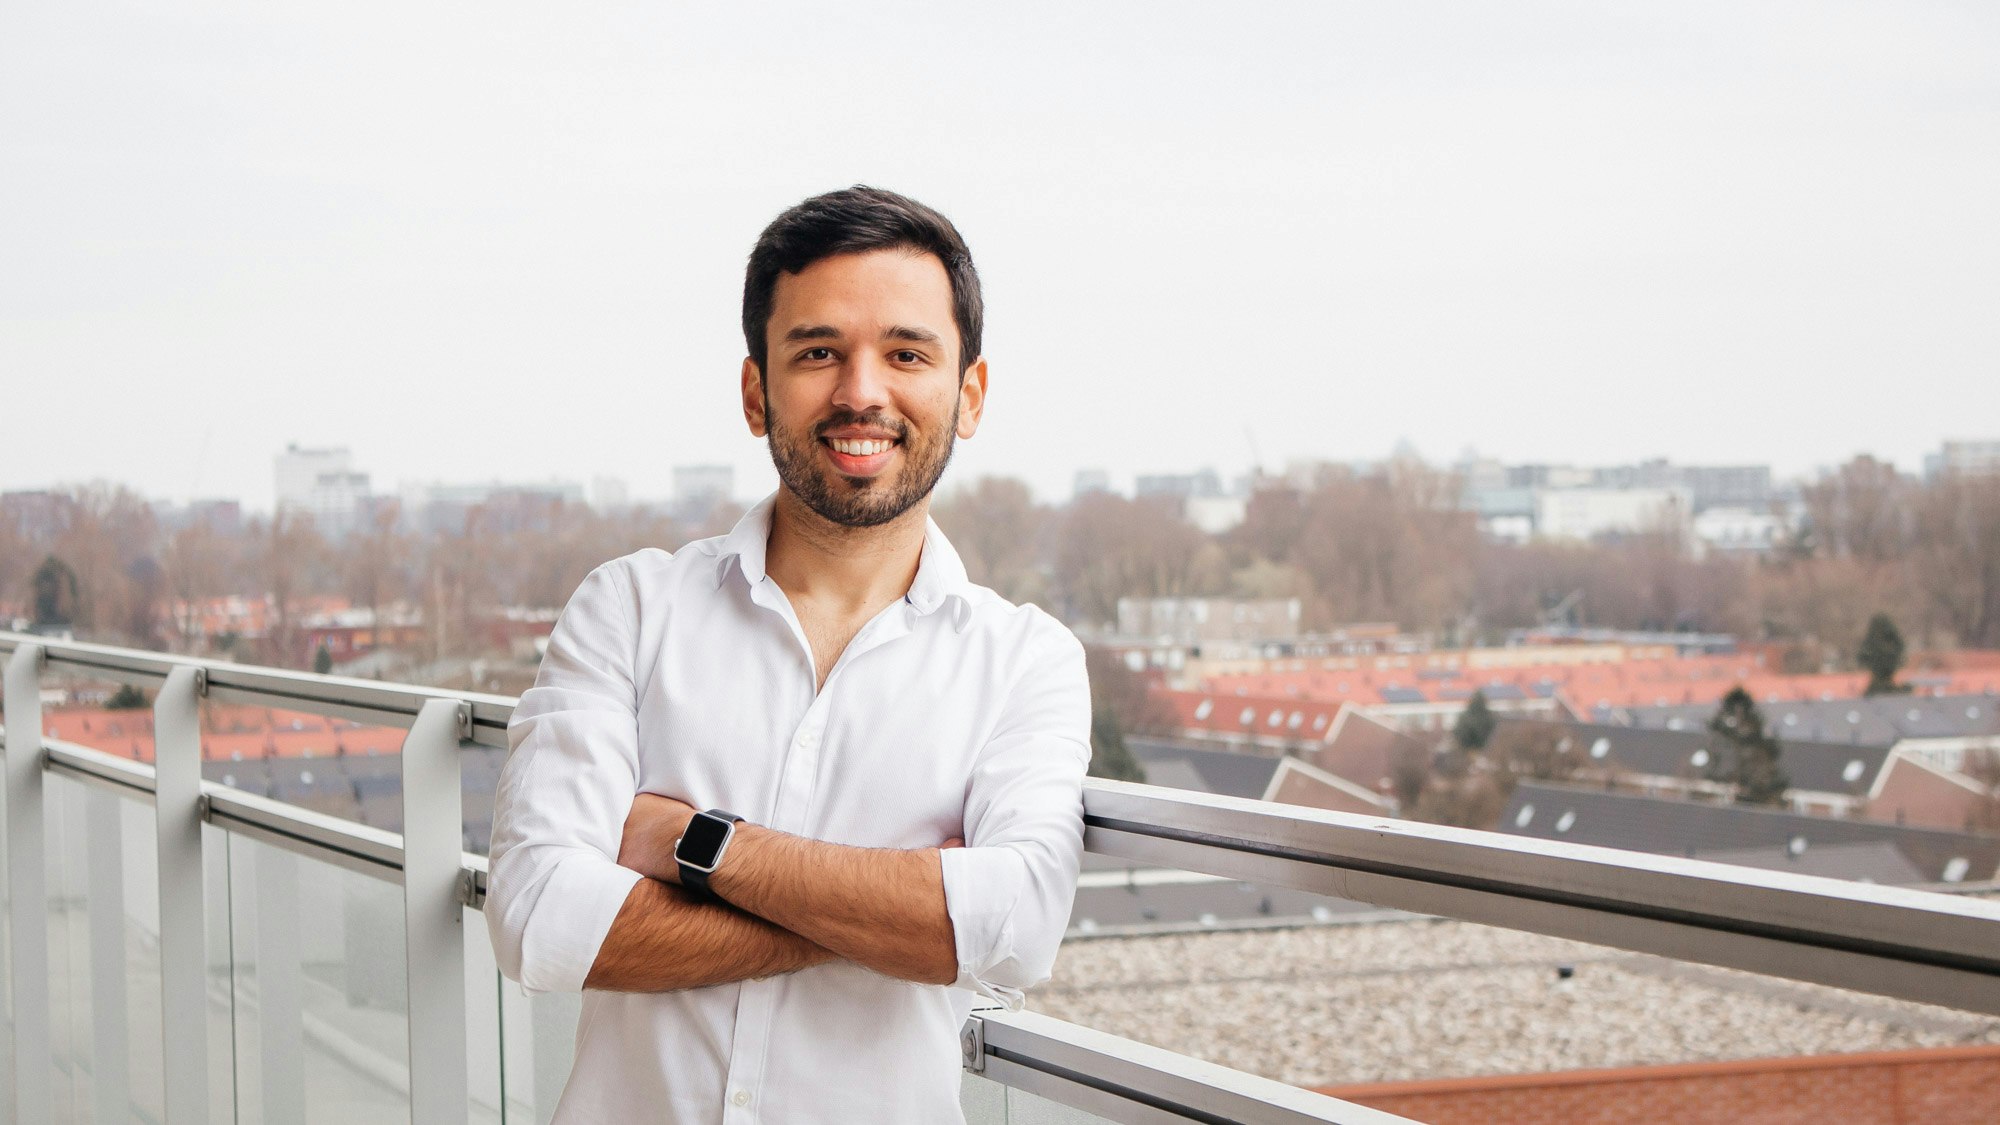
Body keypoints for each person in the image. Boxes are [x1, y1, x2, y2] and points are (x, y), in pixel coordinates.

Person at [485, 186, 1091, 1124]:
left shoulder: (1026, 662)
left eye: (906, 353)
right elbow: (540, 923)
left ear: (967, 394)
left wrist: (697, 845)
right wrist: (898, 916)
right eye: (818, 352)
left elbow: (1013, 930)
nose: (861, 392)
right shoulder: (629, 609)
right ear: (755, 390)